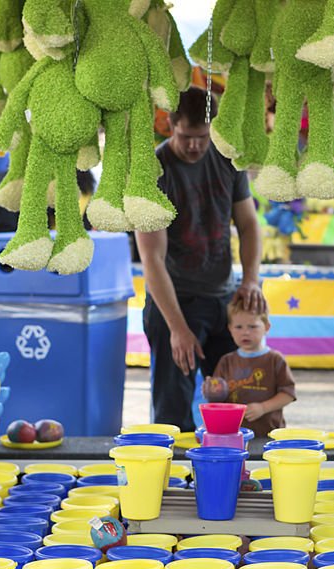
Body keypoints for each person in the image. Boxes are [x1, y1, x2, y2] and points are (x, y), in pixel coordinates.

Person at [135, 87, 264, 431]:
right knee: (173, 415)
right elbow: (152, 259)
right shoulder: (153, 170)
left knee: (239, 403)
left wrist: (250, 278)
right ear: (170, 124)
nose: (194, 145)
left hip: (223, 298)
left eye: (203, 137)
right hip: (172, 303)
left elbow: (249, 225)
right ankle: (173, 480)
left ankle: (237, 476)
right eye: (187, 136)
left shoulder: (227, 160)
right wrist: (178, 328)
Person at [202, 299, 296, 437]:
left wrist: (263, 408)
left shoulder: (275, 359)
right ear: (230, 329)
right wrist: (211, 391)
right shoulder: (226, 361)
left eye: (252, 326)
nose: (245, 332)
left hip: (268, 434)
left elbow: (288, 394)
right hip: (234, 433)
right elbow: (219, 398)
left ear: (266, 327)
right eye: (238, 327)